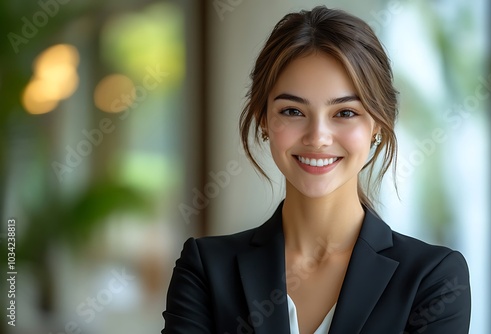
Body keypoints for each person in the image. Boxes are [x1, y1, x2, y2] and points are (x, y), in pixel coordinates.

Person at [161, 6, 471, 334]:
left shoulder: (433, 278)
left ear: (378, 124)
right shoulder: (206, 270)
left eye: (345, 112)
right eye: (293, 111)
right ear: (264, 119)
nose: (318, 138)